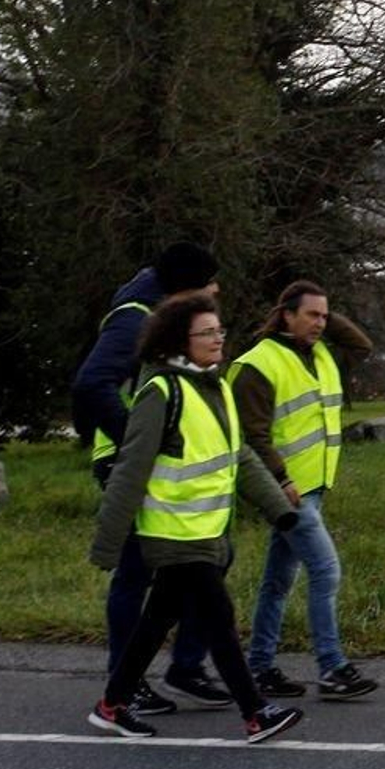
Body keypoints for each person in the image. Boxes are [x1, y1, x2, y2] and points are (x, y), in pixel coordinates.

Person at [87, 291, 305, 744]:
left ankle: (111, 705)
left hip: (206, 531)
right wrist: (108, 543)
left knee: (156, 621)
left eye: (219, 330)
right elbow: (130, 468)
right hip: (171, 533)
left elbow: (239, 455)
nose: (217, 339)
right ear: (176, 341)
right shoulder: (160, 392)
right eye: (206, 333)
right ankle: (255, 713)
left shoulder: (216, 386)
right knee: (218, 616)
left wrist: (277, 508)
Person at [71, 242, 231, 714]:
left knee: (210, 558)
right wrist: (136, 441)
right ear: (186, 286)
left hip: (164, 462)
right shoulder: (135, 316)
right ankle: (126, 681)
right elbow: (91, 383)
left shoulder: (164, 310)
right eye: (209, 282)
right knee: (138, 571)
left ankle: (183, 667)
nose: (217, 289)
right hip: (130, 462)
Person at [228, 280, 378, 701]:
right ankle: (331, 667)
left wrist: (326, 321)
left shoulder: (323, 355)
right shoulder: (259, 363)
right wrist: (281, 479)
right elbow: (251, 435)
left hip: (312, 487)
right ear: (286, 314)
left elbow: (362, 345)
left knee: (278, 580)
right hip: (286, 491)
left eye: (324, 316)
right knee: (325, 570)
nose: (320, 323)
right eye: (310, 315)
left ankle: (259, 667)